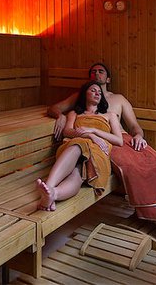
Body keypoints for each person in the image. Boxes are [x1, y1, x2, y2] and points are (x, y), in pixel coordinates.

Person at [48, 63, 156, 258]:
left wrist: (139, 136)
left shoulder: (119, 99)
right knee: (137, 173)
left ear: (108, 79)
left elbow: (134, 126)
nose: (96, 74)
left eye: (101, 71)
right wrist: (61, 117)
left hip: (126, 140)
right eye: (92, 72)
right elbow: (56, 108)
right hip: (108, 144)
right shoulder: (81, 96)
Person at [36, 80, 123, 213]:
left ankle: (50, 191)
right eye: (93, 90)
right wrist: (88, 136)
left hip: (98, 151)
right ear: (84, 94)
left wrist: (94, 131)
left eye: (99, 92)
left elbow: (118, 140)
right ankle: (52, 193)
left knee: (79, 171)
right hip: (72, 148)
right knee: (78, 146)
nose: (97, 93)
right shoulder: (74, 114)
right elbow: (67, 131)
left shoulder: (109, 116)